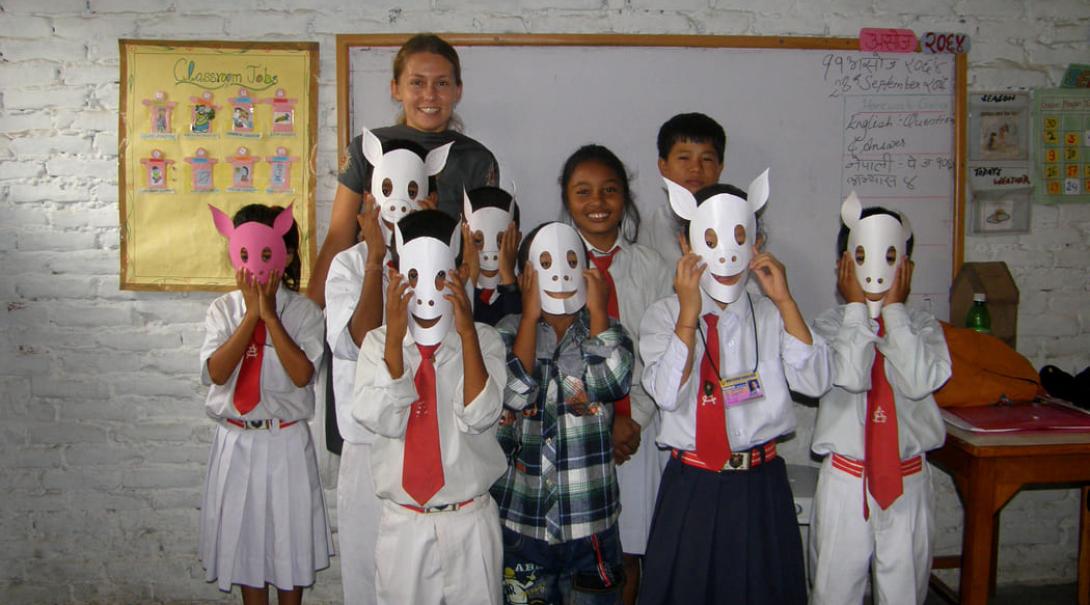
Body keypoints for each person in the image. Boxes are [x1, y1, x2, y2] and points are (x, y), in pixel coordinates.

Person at [638, 172, 830, 605]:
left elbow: (815, 382)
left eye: (740, 236)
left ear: (755, 242)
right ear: (687, 246)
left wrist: (786, 302)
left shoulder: (772, 315)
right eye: (708, 238)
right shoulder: (664, 317)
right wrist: (689, 316)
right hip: (693, 483)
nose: (725, 253)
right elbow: (666, 394)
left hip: (759, 485)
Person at [352, 209, 508, 605]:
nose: (428, 290)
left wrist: (466, 331)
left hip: (469, 520)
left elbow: (480, 416)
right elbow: (382, 418)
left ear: (459, 274)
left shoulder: (485, 341)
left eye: (441, 276)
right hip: (405, 523)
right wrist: (394, 341)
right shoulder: (376, 345)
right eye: (415, 277)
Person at [323, 135, 451, 605]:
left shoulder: (444, 268)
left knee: (425, 579)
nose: (402, 202)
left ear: (431, 200)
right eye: (389, 189)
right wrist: (377, 259)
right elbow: (362, 339)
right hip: (367, 442)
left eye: (415, 191)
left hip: (429, 439)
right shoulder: (349, 266)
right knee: (366, 572)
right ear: (369, 198)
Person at [808, 195, 951, 605]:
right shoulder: (829, 326)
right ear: (844, 264)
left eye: (891, 256)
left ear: (907, 266)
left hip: (907, 481)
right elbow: (851, 375)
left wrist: (894, 315)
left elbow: (920, 379)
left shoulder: (922, 328)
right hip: (846, 481)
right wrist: (857, 308)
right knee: (834, 590)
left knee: (905, 592)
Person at [492, 221, 634, 605]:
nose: (560, 272)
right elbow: (514, 394)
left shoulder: (610, 332)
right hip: (523, 528)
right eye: (547, 264)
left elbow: (612, 381)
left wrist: (599, 313)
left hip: (591, 529)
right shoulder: (505, 334)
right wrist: (526, 318)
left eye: (573, 261)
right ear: (526, 277)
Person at [199, 204, 333, 605]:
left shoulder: (305, 313)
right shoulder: (222, 310)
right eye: (244, 253)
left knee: (288, 540)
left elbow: (302, 375)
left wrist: (270, 318)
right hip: (236, 442)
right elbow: (218, 372)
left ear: (287, 253)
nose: (254, 263)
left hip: (285, 443)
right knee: (245, 543)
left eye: (266, 251)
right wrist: (250, 316)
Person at [558, 144, 672, 604]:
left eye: (609, 190)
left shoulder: (652, 267)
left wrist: (634, 419)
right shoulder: (555, 265)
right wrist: (603, 421)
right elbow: (559, 356)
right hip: (577, 435)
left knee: (627, 553)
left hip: (639, 435)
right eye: (583, 192)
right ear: (567, 201)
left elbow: (662, 350)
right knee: (579, 554)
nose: (597, 202)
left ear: (625, 197)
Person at [309, 33, 499, 307]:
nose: (430, 94)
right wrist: (313, 315)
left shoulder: (477, 159)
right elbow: (339, 236)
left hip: (442, 300)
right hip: (370, 296)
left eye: (442, 83)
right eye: (417, 83)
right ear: (396, 88)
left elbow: (480, 248)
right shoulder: (365, 149)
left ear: (458, 90)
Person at [643, 113, 726, 267]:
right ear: (663, 166)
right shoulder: (645, 232)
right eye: (684, 158)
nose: (696, 168)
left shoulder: (736, 225)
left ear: (720, 168)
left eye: (707, 159)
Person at [462, 185, 522, 326]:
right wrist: (470, 281)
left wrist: (508, 281)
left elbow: (513, 332)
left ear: (516, 239)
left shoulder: (527, 291)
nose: (489, 254)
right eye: (477, 241)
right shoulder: (451, 290)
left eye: (501, 241)